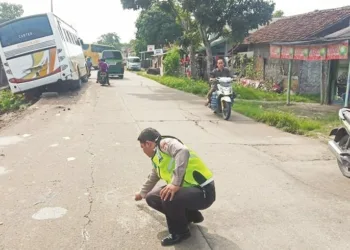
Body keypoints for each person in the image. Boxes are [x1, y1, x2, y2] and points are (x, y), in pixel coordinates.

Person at [134, 128, 216, 247]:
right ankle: (191, 215)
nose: (143, 151)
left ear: (148, 143)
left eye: (142, 147)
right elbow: (154, 175)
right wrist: (142, 194)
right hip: (189, 192)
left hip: (204, 191)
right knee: (151, 197)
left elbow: (183, 151)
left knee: (168, 196)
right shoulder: (156, 157)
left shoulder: (164, 143)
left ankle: (180, 232)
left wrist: (175, 183)